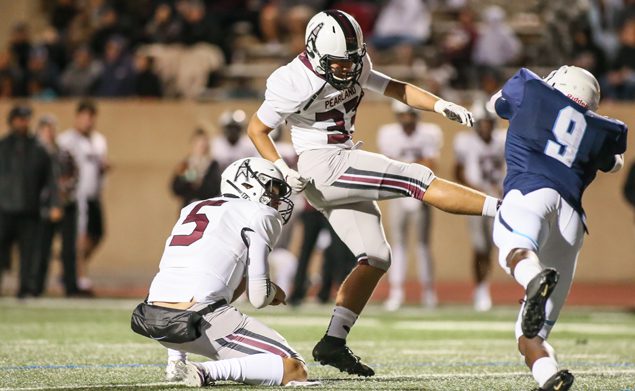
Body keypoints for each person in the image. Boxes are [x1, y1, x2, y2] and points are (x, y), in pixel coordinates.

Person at [247, 9, 500, 376]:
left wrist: (440, 104)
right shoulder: (293, 80)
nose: (347, 70)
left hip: (341, 159)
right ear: (315, 50)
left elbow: (394, 87)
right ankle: (507, 211)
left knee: (377, 256)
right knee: (414, 177)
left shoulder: (351, 59)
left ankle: (333, 342)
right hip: (320, 165)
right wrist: (284, 168)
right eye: (339, 63)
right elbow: (258, 130)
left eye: (351, 62)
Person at [490, 65, 627, 391]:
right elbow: (613, 163)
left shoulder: (530, 89)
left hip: (530, 192)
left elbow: (496, 105)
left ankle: (532, 277)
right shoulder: (606, 129)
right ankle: (548, 375)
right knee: (530, 333)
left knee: (513, 249)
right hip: (571, 221)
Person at [135, 157, 309, 387]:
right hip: (199, 318)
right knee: (294, 368)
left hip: (152, 315)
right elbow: (258, 297)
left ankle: (176, 361)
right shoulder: (259, 213)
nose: (276, 200)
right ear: (247, 185)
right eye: (271, 190)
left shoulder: (193, 207)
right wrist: (274, 291)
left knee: (215, 282)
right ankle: (206, 371)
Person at [377, 101, 443, 311]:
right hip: (397, 193)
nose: (407, 120)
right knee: (398, 244)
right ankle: (396, 292)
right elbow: (388, 164)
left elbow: (431, 163)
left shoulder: (428, 133)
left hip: (420, 192)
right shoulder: (388, 134)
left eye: (410, 116)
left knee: (423, 244)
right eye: (403, 116)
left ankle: (428, 291)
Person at [0, 104, 58, 298]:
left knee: (28, 255)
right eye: (19, 118)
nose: (23, 123)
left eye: (26, 119)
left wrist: (54, 204)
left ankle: (25, 289)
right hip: (4, 209)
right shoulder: (3, 146)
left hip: (29, 208)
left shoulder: (39, 149)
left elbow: (51, 179)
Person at [453, 102, 506, 311]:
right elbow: (457, 170)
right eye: (482, 123)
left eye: (488, 123)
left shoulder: (502, 140)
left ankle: (483, 287)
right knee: (479, 246)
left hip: (498, 199)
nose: (485, 127)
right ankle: (481, 288)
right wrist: (471, 189)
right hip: (476, 200)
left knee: (493, 246)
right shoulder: (466, 142)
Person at [57, 100, 109, 294]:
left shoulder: (99, 140)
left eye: (91, 117)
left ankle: (68, 267)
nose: (88, 121)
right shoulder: (66, 140)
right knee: (79, 237)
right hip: (76, 196)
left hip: (93, 194)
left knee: (97, 235)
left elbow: (99, 167)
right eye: (85, 116)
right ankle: (79, 277)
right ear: (77, 117)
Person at [33, 114, 81, 297]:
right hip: (43, 207)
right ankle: (36, 286)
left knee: (69, 249)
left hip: (66, 205)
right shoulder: (34, 153)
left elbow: (74, 175)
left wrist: (61, 194)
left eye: (51, 129)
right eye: (45, 129)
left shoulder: (63, 152)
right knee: (41, 248)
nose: (49, 133)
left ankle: (70, 286)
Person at [171, 128, 221, 208]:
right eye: (199, 143)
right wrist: (188, 178)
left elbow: (215, 189)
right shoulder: (185, 164)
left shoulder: (212, 165)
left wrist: (200, 182)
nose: (202, 146)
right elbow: (176, 188)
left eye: (204, 143)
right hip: (188, 207)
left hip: (206, 208)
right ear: (193, 143)